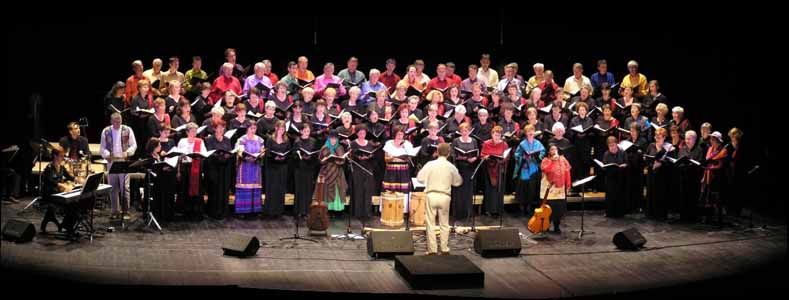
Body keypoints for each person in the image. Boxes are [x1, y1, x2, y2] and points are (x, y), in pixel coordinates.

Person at [417, 143, 462, 255]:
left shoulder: (430, 164)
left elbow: (420, 178)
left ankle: (432, 250)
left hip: (431, 195)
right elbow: (458, 182)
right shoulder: (451, 166)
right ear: (449, 153)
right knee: (444, 224)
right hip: (444, 196)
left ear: (437, 152)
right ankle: (444, 248)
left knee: (430, 224)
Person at [100, 113, 138, 220]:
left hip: (123, 161)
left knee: (125, 187)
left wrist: (128, 152)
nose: (118, 123)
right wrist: (107, 155)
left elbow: (134, 145)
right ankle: (114, 210)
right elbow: (102, 148)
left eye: (119, 121)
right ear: (111, 121)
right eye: (115, 121)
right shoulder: (106, 131)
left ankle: (125, 210)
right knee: (113, 188)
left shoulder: (127, 129)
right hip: (112, 162)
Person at [39, 145, 78, 234]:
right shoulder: (49, 168)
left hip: (58, 193)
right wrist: (64, 186)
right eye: (61, 156)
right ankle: (67, 226)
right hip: (50, 195)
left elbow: (69, 177)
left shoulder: (61, 167)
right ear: (55, 156)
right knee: (72, 204)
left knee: (75, 202)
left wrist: (78, 180)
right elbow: (51, 182)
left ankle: (66, 224)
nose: (63, 158)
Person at [175, 123, 209, 221]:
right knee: (185, 188)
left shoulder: (200, 141)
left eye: (195, 131)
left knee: (197, 190)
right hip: (185, 168)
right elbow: (178, 156)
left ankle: (196, 211)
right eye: (192, 131)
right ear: (187, 132)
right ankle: (185, 211)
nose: (194, 133)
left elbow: (205, 153)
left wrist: (198, 155)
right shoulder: (182, 141)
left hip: (196, 167)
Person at [234, 121, 265, 217]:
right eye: (251, 128)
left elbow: (262, 151)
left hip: (255, 166)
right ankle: (242, 211)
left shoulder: (260, 139)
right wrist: (246, 157)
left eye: (254, 129)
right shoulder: (242, 139)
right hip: (245, 166)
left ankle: (255, 210)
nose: (253, 130)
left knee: (255, 186)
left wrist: (260, 155)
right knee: (245, 186)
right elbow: (239, 151)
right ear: (247, 128)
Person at [204, 121, 233, 220]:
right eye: (219, 128)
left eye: (222, 128)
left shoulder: (227, 140)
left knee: (224, 190)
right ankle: (213, 212)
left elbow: (230, 152)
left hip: (224, 169)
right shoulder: (209, 140)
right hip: (214, 168)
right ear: (214, 129)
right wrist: (220, 156)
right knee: (214, 190)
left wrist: (226, 156)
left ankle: (223, 211)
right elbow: (209, 153)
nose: (221, 130)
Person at [451, 123, 480, 222]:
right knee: (459, 191)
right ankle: (459, 213)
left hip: (470, 168)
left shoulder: (474, 141)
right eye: (463, 130)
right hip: (460, 168)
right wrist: (461, 157)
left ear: (469, 131)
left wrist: (474, 158)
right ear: (460, 131)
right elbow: (453, 154)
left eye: (466, 130)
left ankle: (468, 213)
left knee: (468, 191)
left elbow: (477, 153)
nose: (464, 132)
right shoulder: (456, 141)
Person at [514, 124, 545, 216]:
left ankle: (530, 206)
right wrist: (523, 157)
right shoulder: (522, 144)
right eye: (528, 131)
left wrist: (537, 156)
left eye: (532, 131)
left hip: (534, 167)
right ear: (526, 133)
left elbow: (543, 152)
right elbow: (517, 154)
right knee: (524, 187)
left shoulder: (538, 143)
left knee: (532, 188)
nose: (530, 133)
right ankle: (522, 206)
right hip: (524, 168)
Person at [540, 144, 572, 233]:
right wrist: (552, 161)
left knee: (559, 209)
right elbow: (546, 170)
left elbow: (567, 171)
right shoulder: (546, 160)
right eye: (552, 149)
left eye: (555, 149)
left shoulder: (562, 159)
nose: (554, 151)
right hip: (549, 188)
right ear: (549, 151)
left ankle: (557, 226)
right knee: (548, 209)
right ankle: (546, 226)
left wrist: (568, 184)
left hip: (560, 189)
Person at [645, 127, 675, 220]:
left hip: (663, 175)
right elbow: (646, 158)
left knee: (661, 194)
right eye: (656, 136)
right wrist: (652, 164)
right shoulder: (651, 145)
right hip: (652, 173)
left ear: (664, 137)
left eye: (659, 136)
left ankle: (660, 214)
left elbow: (671, 162)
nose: (657, 138)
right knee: (651, 193)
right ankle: (651, 214)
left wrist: (661, 164)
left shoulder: (669, 147)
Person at [317, 130, 348, 215]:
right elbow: (320, 160)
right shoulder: (324, 147)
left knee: (337, 190)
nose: (333, 140)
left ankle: (337, 210)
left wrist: (337, 159)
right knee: (326, 190)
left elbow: (343, 160)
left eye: (335, 138)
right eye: (331, 138)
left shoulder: (340, 147)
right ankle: (327, 209)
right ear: (329, 138)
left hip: (337, 171)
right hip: (326, 171)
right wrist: (324, 160)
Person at [677, 130, 705, 222]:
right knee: (683, 197)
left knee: (693, 197)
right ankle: (683, 216)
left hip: (694, 178)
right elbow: (678, 162)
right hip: (683, 177)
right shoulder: (682, 149)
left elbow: (700, 164)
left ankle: (692, 217)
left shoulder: (699, 150)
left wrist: (690, 164)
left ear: (694, 139)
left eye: (689, 139)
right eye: (686, 139)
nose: (687, 141)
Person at [349, 124, 376, 219]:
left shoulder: (370, 144)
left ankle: (367, 212)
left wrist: (369, 157)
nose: (362, 135)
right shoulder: (353, 143)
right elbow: (351, 156)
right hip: (357, 168)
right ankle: (357, 212)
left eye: (363, 133)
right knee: (358, 190)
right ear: (356, 134)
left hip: (367, 169)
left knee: (367, 190)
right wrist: (358, 157)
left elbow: (373, 156)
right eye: (360, 133)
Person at [481, 126, 508, 215]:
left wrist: (501, 160)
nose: (497, 137)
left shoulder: (504, 144)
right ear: (492, 134)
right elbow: (482, 155)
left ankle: (498, 210)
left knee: (499, 190)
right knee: (490, 190)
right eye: (495, 135)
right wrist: (487, 157)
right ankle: (489, 209)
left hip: (499, 169)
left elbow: (506, 156)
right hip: (489, 169)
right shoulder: (486, 143)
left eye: (499, 135)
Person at [293, 124, 319, 216]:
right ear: (301, 131)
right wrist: (301, 156)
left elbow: (316, 154)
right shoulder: (297, 141)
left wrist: (310, 157)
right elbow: (294, 155)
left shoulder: (313, 141)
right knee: (300, 189)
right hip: (300, 168)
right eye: (305, 131)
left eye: (308, 131)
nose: (306, 133)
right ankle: (299, 210)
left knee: (308, 189)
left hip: (309, 167)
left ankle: (307, 210)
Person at [601, 136, 629, 218]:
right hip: (610, 178)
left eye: (613, 145)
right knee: (610, 195)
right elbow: (604, 166)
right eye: (610, 146)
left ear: (616, 144)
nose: (612, 147)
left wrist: (624, 165)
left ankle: (619, 212)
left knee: (619, 195)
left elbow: (626, 162)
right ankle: (609, 212)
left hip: (620, 177)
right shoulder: (606, 154)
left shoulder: (622, 152)